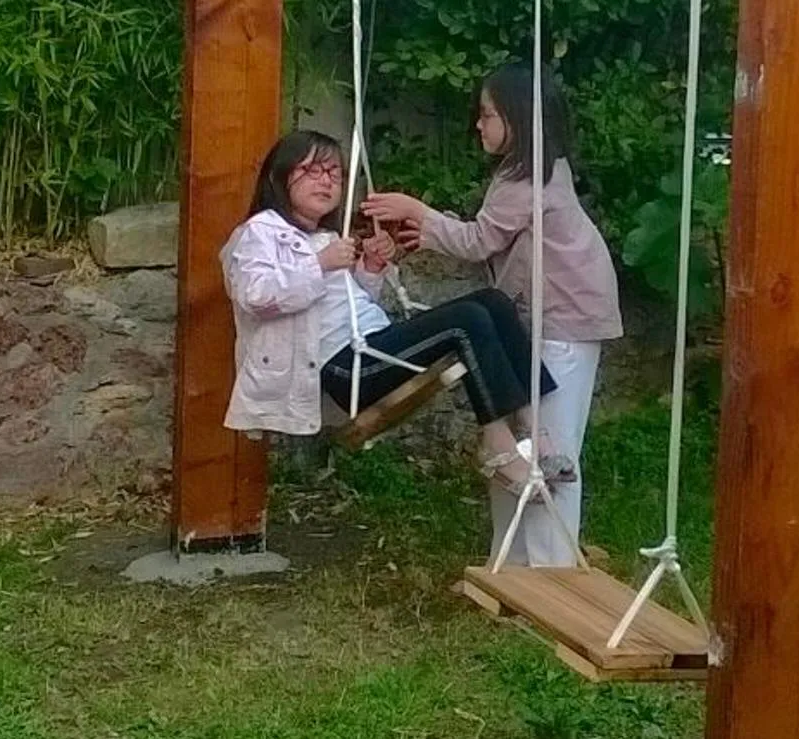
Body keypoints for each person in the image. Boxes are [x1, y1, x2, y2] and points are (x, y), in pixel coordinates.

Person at [364, 63, 621, 566]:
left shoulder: (527, 180)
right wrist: (432, 230)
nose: (477, 125)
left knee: (551, 449)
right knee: (520, 446)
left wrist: (417, 211)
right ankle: (513, 565)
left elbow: (479, 238)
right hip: (541, 321)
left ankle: (551, 574)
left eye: (486, 115)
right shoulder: (527, 172)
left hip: (563, 324)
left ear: (518, 119)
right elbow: (494, 238)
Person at [220, 129, 561, 497]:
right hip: (345, 370)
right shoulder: (259, 233)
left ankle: (535, 432)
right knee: (469, 322)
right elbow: (255, 295)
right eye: (313, 170)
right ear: (279, 176)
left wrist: (369, 267)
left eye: (334, 172)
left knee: (494, 302)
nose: (327, 181)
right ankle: (497, 449)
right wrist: (319, 265)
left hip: (368, 347)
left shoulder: (324, 239)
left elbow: (348, 309)